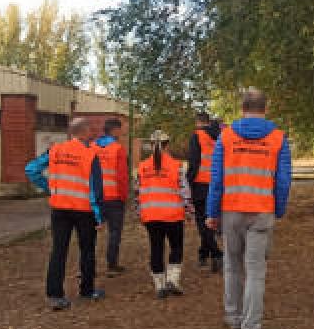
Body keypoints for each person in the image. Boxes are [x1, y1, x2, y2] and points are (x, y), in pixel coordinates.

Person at [206, 88, 292, 329]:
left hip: (231, 210)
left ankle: (233, 317)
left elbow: (216, 179)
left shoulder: (226, 136)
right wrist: (279, 209)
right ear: (265, 109)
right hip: (262, 212)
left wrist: (212, 212)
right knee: (255, 273)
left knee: (232, 266)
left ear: (242, 109)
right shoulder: (278, 138)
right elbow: (284, 181)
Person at [26, 116, 106, 310]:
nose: (92, 134)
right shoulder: (90, 155)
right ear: (85, 132)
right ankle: (87, 290)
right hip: (84, 210)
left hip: (60, 208)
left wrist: (50, 188)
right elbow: (95, 188)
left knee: (58, 251)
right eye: (90, 130)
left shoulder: (55, 151)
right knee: (87, 250)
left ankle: (55, 294)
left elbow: (31, 170)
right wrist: (99, 216)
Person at [134, 129, 191, 298]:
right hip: (173, 215)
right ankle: (173, 280)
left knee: (156, 249)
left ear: (151, 146)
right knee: (176, 247)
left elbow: (137, 193)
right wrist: (189, 211)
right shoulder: (177, 166)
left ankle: (159, 286)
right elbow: (184, 191)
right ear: (168, 145)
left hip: (151, 215)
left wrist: (140, 213)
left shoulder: (142, 167)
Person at [187, 110, 223, 272]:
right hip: (218, 183)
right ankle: (203, 254)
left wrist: (188, 181)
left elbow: (194, 162)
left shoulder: (197, 136)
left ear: (198, 122)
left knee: (202, 221)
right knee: (210, 220)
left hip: (201, 184)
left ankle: (216, 253)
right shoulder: (221, 136)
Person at [94, 117, 128, 275]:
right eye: (120, 129)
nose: (122, 132)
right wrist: (123, 197)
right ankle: (111, 264)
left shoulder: (92, 147)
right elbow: (121, 177)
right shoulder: (117, 149)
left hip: (95, 198)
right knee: (114, 232)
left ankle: (87, 265)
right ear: (114, 130)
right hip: (114, 197)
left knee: (89, 232)